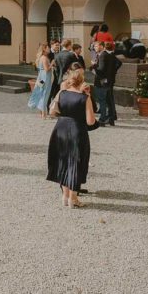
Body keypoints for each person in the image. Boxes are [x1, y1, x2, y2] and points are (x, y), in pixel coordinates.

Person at [46, 68, 97, 208]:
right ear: (81, 82)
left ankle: (64, 196)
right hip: (77, 130)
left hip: (60, 128)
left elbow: (52, 111)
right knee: (76, 162)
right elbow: (90, 121)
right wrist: (87, 97)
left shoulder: (62, 93)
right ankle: (73, 198)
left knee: (62, 160)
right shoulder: (84, 98)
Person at [92, 41, 121, 126]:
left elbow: (101, 70)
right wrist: (112, 73)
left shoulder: (103, 55)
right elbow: (119, 63)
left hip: (102, 81)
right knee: (109, 100)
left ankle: (102, 120)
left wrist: (93, 67)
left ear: (102, 46)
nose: (94, 48)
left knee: (102, 101)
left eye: (96, 46)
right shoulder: (110, 55)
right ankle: (111, 119)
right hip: (109, 81)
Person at [28, 44, 53, 118]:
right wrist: (52, 63)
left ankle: (41, 113)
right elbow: (46, 69)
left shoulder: (41, 58)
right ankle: (44, 114)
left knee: (41, 93)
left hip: (41, 77)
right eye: (48, 48)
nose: (49, 49)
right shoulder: (44, 58)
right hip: (45, 77)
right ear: (44, 49)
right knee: (45, 94)